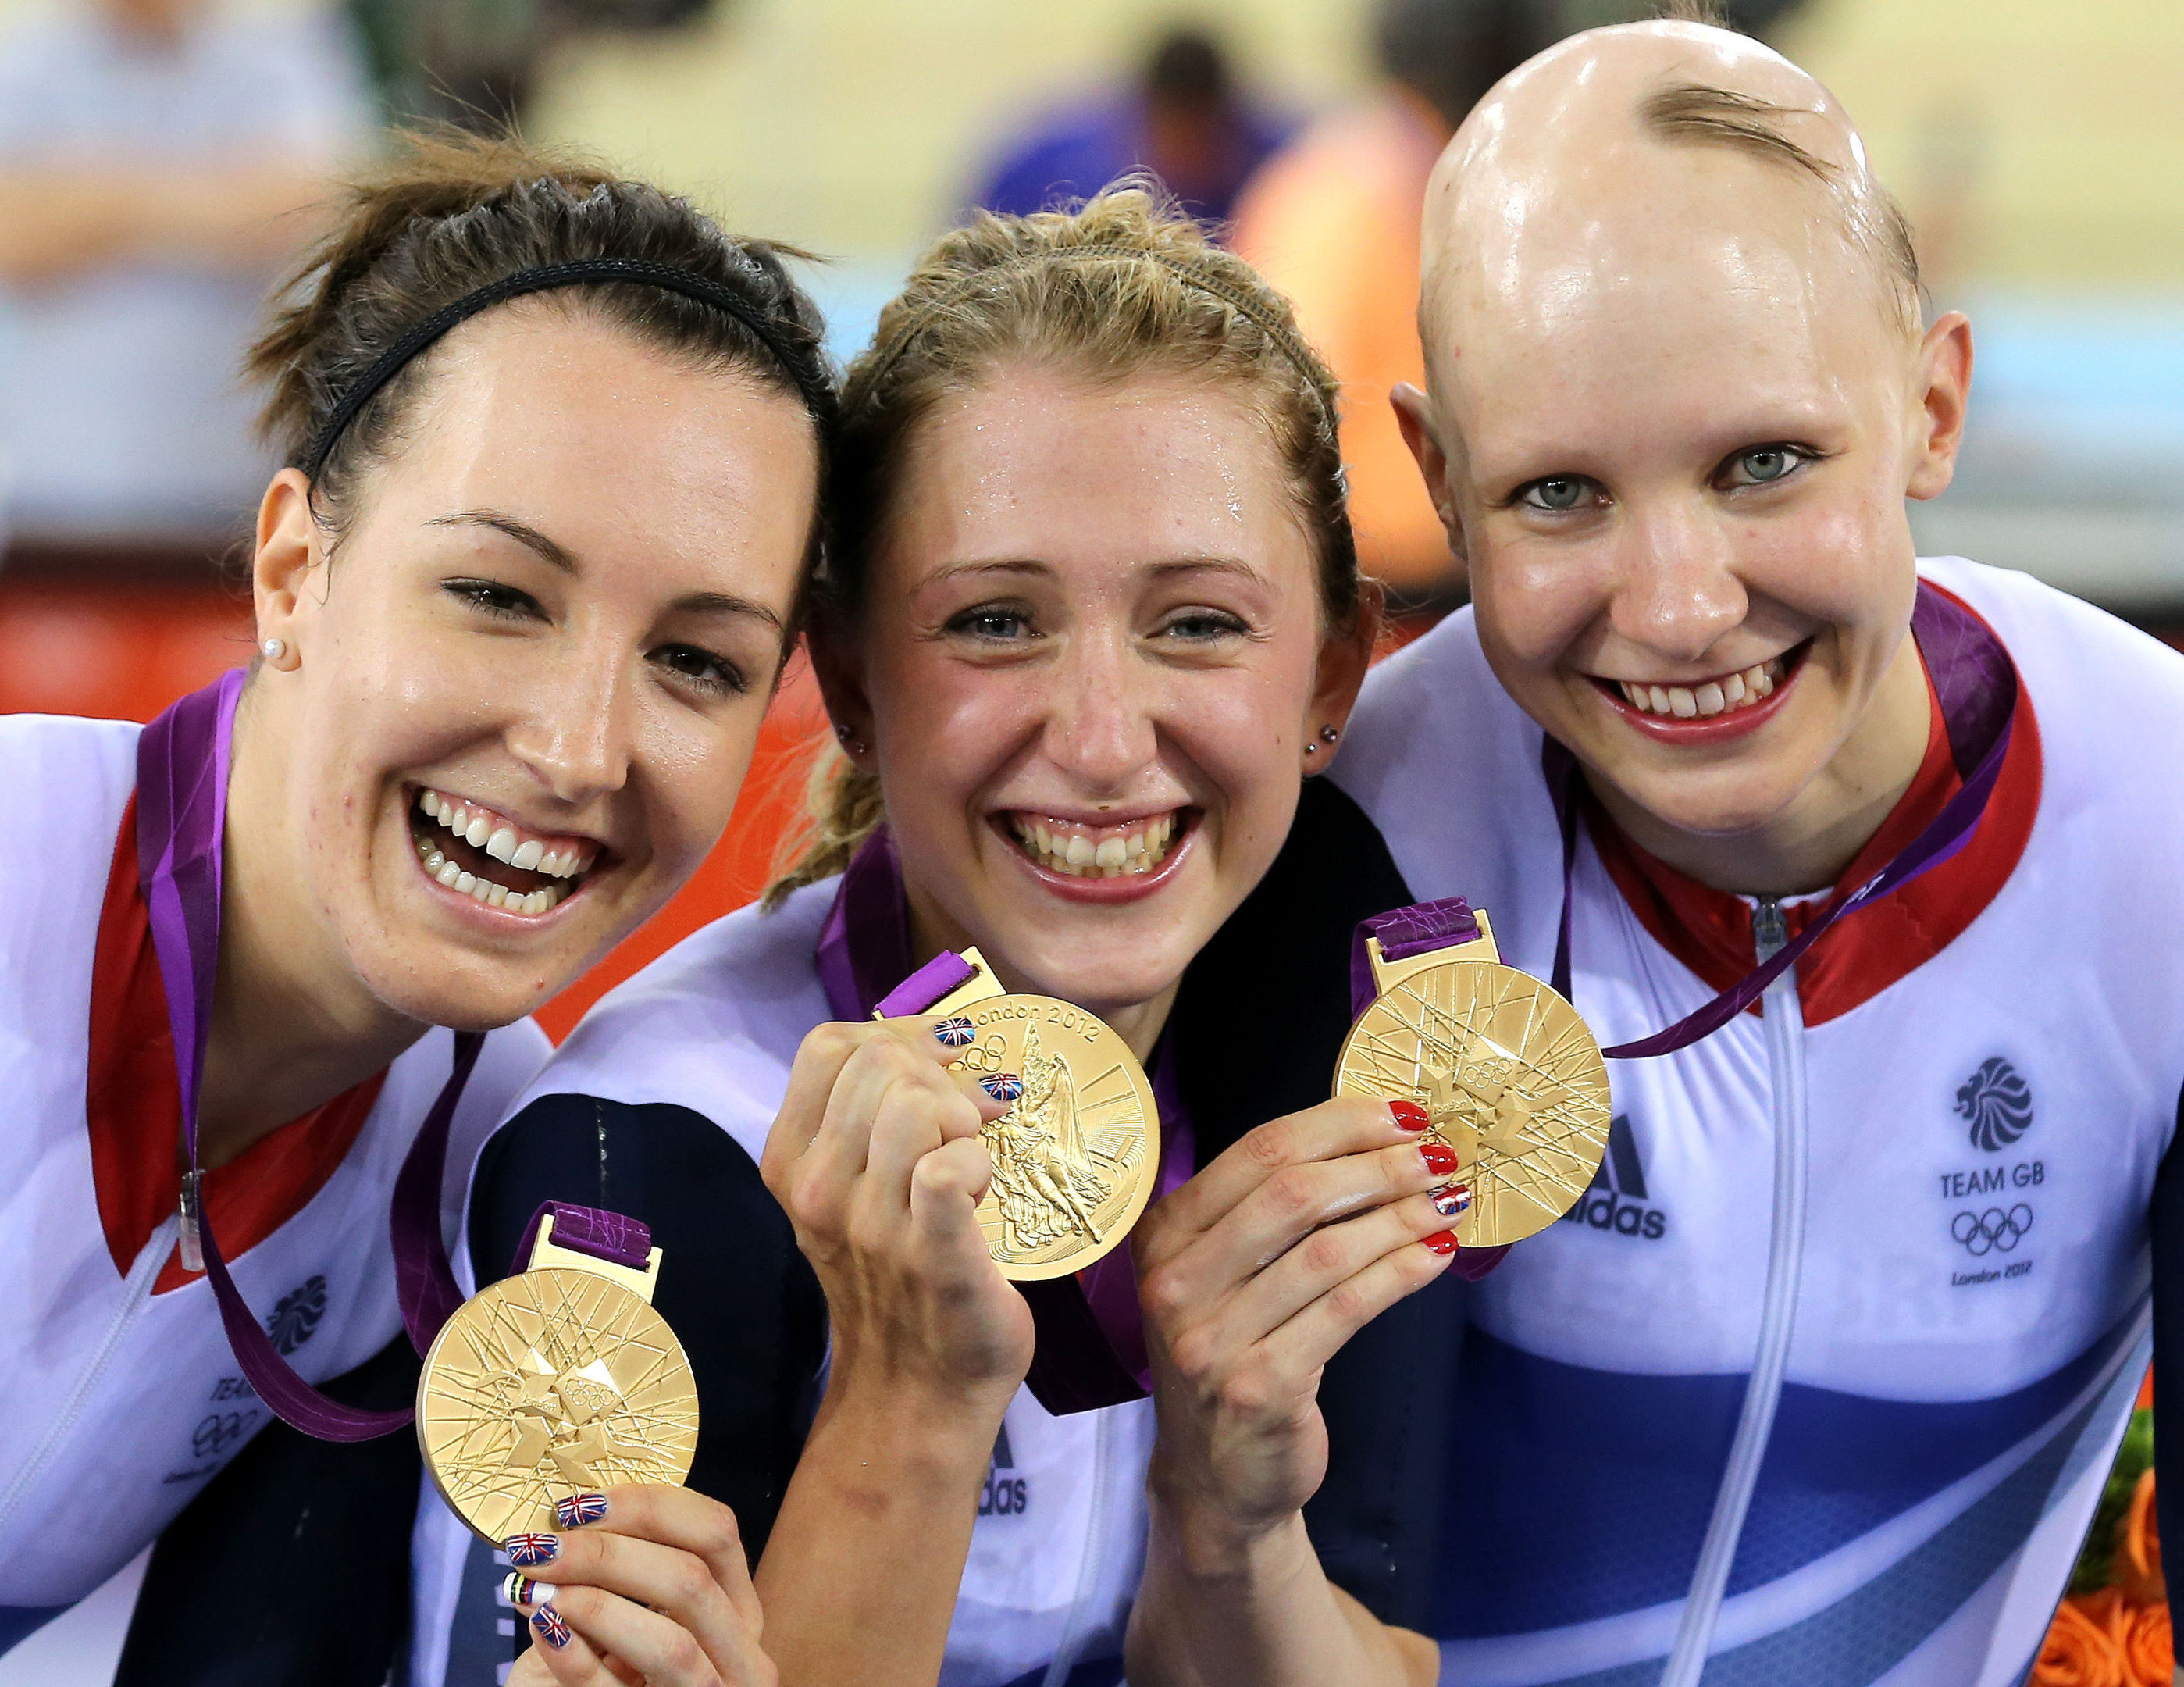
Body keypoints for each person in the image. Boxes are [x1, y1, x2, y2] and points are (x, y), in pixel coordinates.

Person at [1123, 16, 2184, 1687]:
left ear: (1929, 406)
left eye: (1766, 464)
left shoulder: (2162, 832)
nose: (1680, 609)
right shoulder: (1374, 845)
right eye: (1557, 495)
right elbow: (1268, 1622)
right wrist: (1221, 1523)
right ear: (1438, 482)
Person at [409, 187, 1470, 1687]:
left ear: (1333, 675)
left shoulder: (1325, 1049)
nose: (1103, 742)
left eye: (1199, 624)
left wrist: (1226, 1529)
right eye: (992, 622)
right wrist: (911, 1395)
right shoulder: (649, 1153)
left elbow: (1384, 1658)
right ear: (847, 680)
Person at [0, 130, 834, 1687]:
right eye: (499, 596)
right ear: (294, 570)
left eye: (696, 662)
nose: (582, 749)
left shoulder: (489, 1172)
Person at [0, 0, 374, 543]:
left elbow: (305, 211)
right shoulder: (24, 62)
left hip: (227, 487)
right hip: (52, 488)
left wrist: (89, 202)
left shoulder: (280, 57)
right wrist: (213, 198)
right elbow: (16, 232)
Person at [1229, 0, 1551, 605]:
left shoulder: (1491, 177)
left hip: (1476, 571)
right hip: (1381, 589)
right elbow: (1271, 409)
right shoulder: (1344, 196)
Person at [974, 27, 1292, 230]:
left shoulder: (1284, 172)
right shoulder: (1043, 170)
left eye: (1199, 141)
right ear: (1140, 115)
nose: (1185, 155)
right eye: (1173, 138)